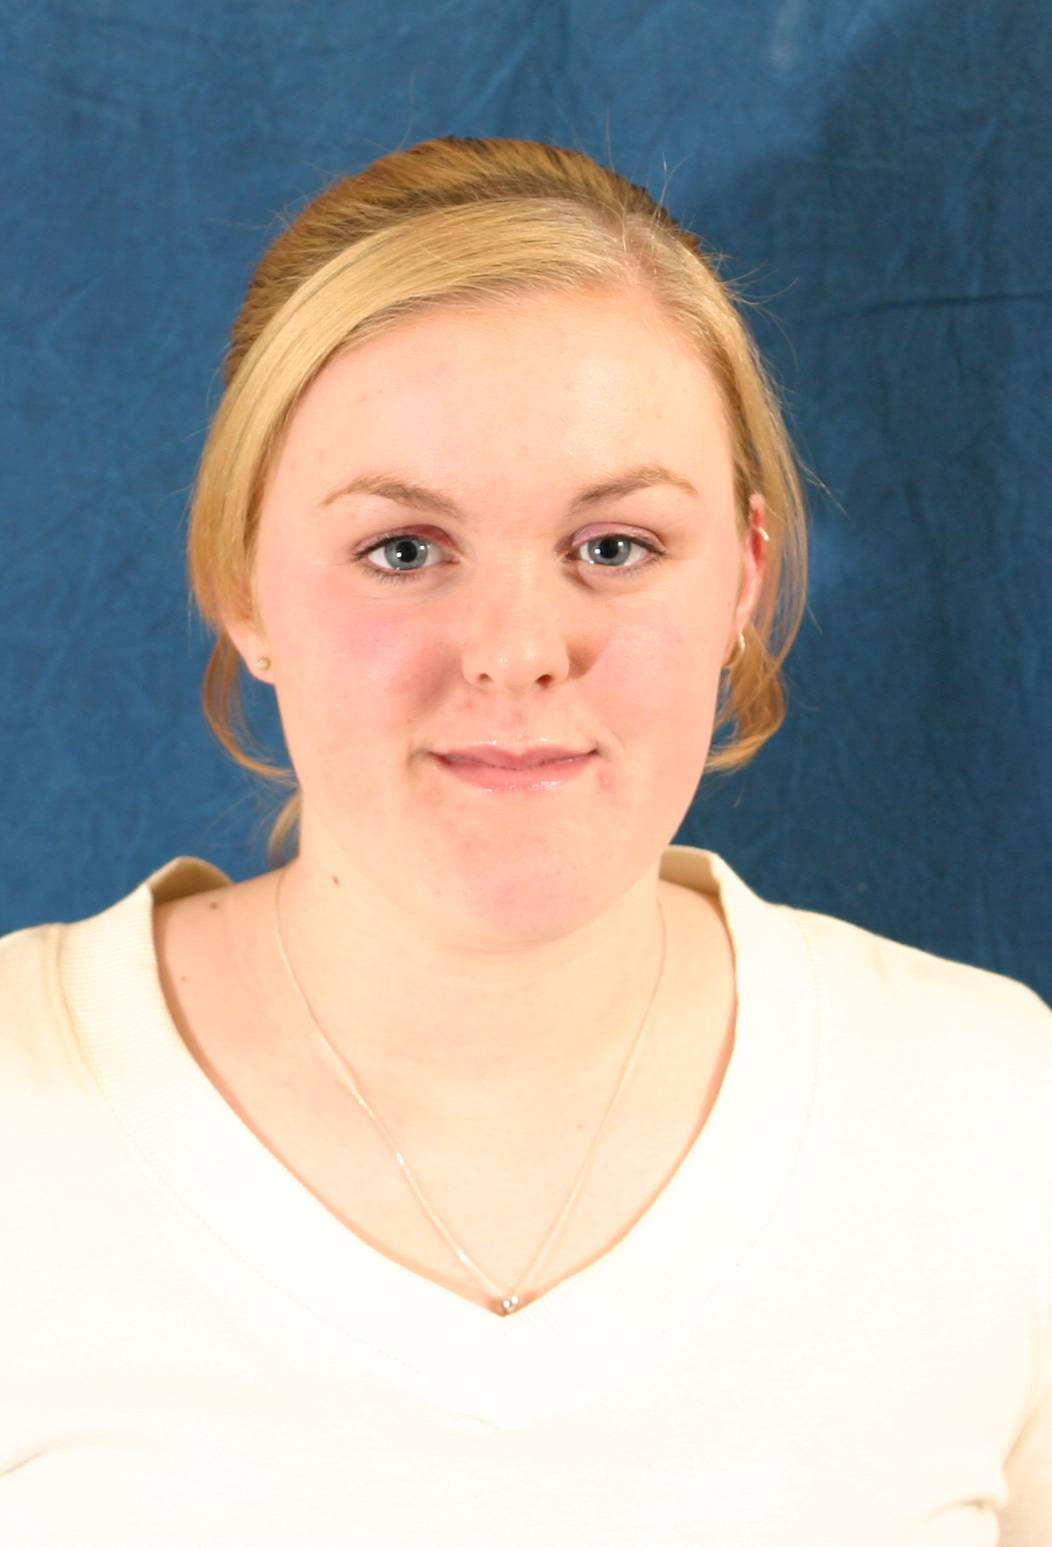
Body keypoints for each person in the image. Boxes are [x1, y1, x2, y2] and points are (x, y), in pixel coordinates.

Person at [1, 135, 1048, 1546]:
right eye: (403, 550)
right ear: (243, 581)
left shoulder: (995, 1119)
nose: (516, 651)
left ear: (743, 579)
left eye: (614, 547)